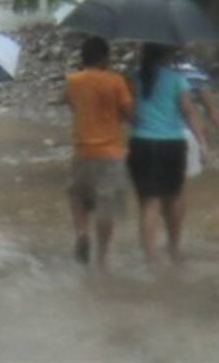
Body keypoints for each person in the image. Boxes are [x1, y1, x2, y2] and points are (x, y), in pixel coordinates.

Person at [127, 43, 207, 266]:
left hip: (141, 143)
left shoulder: (133, 78)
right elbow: (189, 112)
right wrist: (202, 143)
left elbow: (128, 112)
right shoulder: (176, 79)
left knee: (149, 203)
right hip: (172, 144)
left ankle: (150, 259)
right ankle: (173, 250)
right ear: (167, 55)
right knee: (173, 199)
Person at [64, 36, 133, 269]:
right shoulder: (116, 81)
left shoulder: (73, 80)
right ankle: (102, 258)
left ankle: (82, 233)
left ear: (83, 57)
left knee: (77, 197)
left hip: (82, 151)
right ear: (104, 57)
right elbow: (129, 114)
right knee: (106, 206)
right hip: (111, 153)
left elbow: (70, 104)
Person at [174, 59, 219, 177]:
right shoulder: (195, 73)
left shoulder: (146, 72)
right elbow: (211, 109)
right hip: (189, 133)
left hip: (154, 135)